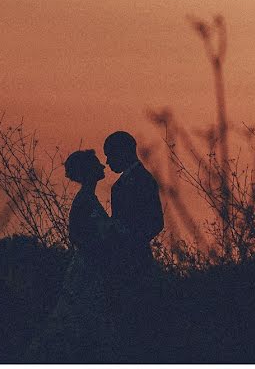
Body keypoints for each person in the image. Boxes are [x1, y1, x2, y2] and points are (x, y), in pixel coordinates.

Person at [26, 149, 116, 362]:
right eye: (97, 164)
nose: (103, 166)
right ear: (87, 171)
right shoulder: (85, 200)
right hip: (89, 266)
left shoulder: (87, 199)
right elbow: (77, 235)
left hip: (90, 264)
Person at [103, 131, 164, 358]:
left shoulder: (144, 181)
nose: (108, 162)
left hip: (135, 260)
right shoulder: (119, 185)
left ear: (124, 151)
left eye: (110, 155)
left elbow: (156, 221)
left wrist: (132, 238)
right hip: (120, 260)